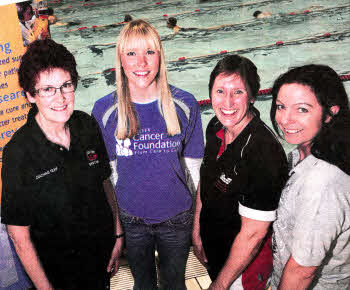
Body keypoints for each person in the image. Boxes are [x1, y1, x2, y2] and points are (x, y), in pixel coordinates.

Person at [1, 39, 123, 290]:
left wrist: (117, 234)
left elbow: (104, 182)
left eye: (66, 85)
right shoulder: (18, 153)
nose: (61, 98)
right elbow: (19, 236)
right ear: (29, 95)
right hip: (57, 276)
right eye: (47, 89)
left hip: (99, 260)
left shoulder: (85, 125)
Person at [92, 19, 204, 290]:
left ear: (160, 57)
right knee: (142, 284)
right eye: (132, 53)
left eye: (149, 52)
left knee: (175, 284)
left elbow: (194, 171)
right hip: (132, 221)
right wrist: (117, 228)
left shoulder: (185, 104)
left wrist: (197, 224)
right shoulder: (105, 110)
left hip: (177, 218)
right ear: (120, 59)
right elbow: (109, 175)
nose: (141, 63)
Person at [192, 55, 288, 289]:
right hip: (218, 250)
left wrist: (220, 285)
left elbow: (254, 235)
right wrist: (197, 229)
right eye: (220, 91)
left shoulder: (262, 151)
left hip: (245, 268)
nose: (228, 102)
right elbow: (206, 182)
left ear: (253, 96)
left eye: (238, 92)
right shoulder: (216, 126)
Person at [269, 64, 350, 289]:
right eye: (281, 106)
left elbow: (302, 271)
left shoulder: (323, 181)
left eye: (302, 109)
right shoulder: (300, 154)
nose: (285, 119)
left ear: (330, 114)